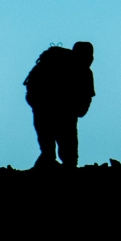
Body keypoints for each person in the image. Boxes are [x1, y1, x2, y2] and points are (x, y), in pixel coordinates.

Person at [25, 41, 95, 169]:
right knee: (67, 156)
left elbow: (31, 90)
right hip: (59, 114)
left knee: (49, 151)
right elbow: (86, 98)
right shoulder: (83, 71)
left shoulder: (52, 65)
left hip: (44, 111)